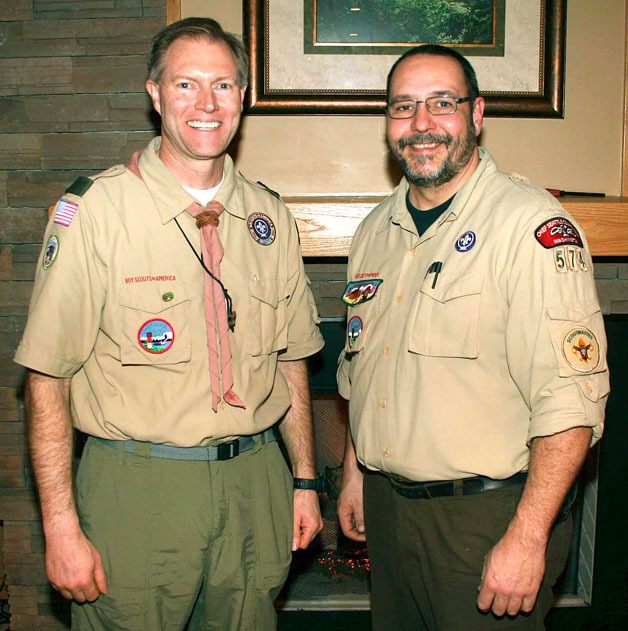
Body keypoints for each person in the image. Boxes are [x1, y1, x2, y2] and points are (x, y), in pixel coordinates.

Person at [15, 17, 325, 630]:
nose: (206, 105)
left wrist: (305, 480)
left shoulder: (270, 216)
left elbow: (290, 360)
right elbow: (47, 379)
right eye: (186, 85)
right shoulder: (96, 213)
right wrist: (60, 525)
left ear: (243, 97)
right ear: (155, 94)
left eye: (223, 86)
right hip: (137, 487)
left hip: (255, 484)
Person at [337, 44, 609, 630]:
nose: (421, 125)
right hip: (389, 511)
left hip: (486, 519)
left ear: (477, 113)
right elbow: (364, 369)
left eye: (442, 103)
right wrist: (357, 472)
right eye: (403, 107)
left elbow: (571, 402)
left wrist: (528, 536)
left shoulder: (529, 226)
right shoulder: (373, 233)